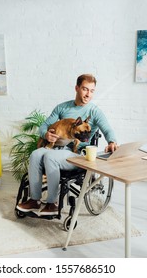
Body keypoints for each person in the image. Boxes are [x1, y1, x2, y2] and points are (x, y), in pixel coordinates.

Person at [16, 74, 118, 216]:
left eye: (92, 91)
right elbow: (44, 125)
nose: (88, 94)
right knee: (35, 154)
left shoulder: (94, 112)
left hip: (76, 154)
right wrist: (46, 134)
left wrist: (112, 142)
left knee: (50, 156)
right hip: (56, 148)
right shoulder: (62, 108)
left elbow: (107, 129)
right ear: (76, 88)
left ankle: (52, 203)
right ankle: (34, 200)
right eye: (85, 89)